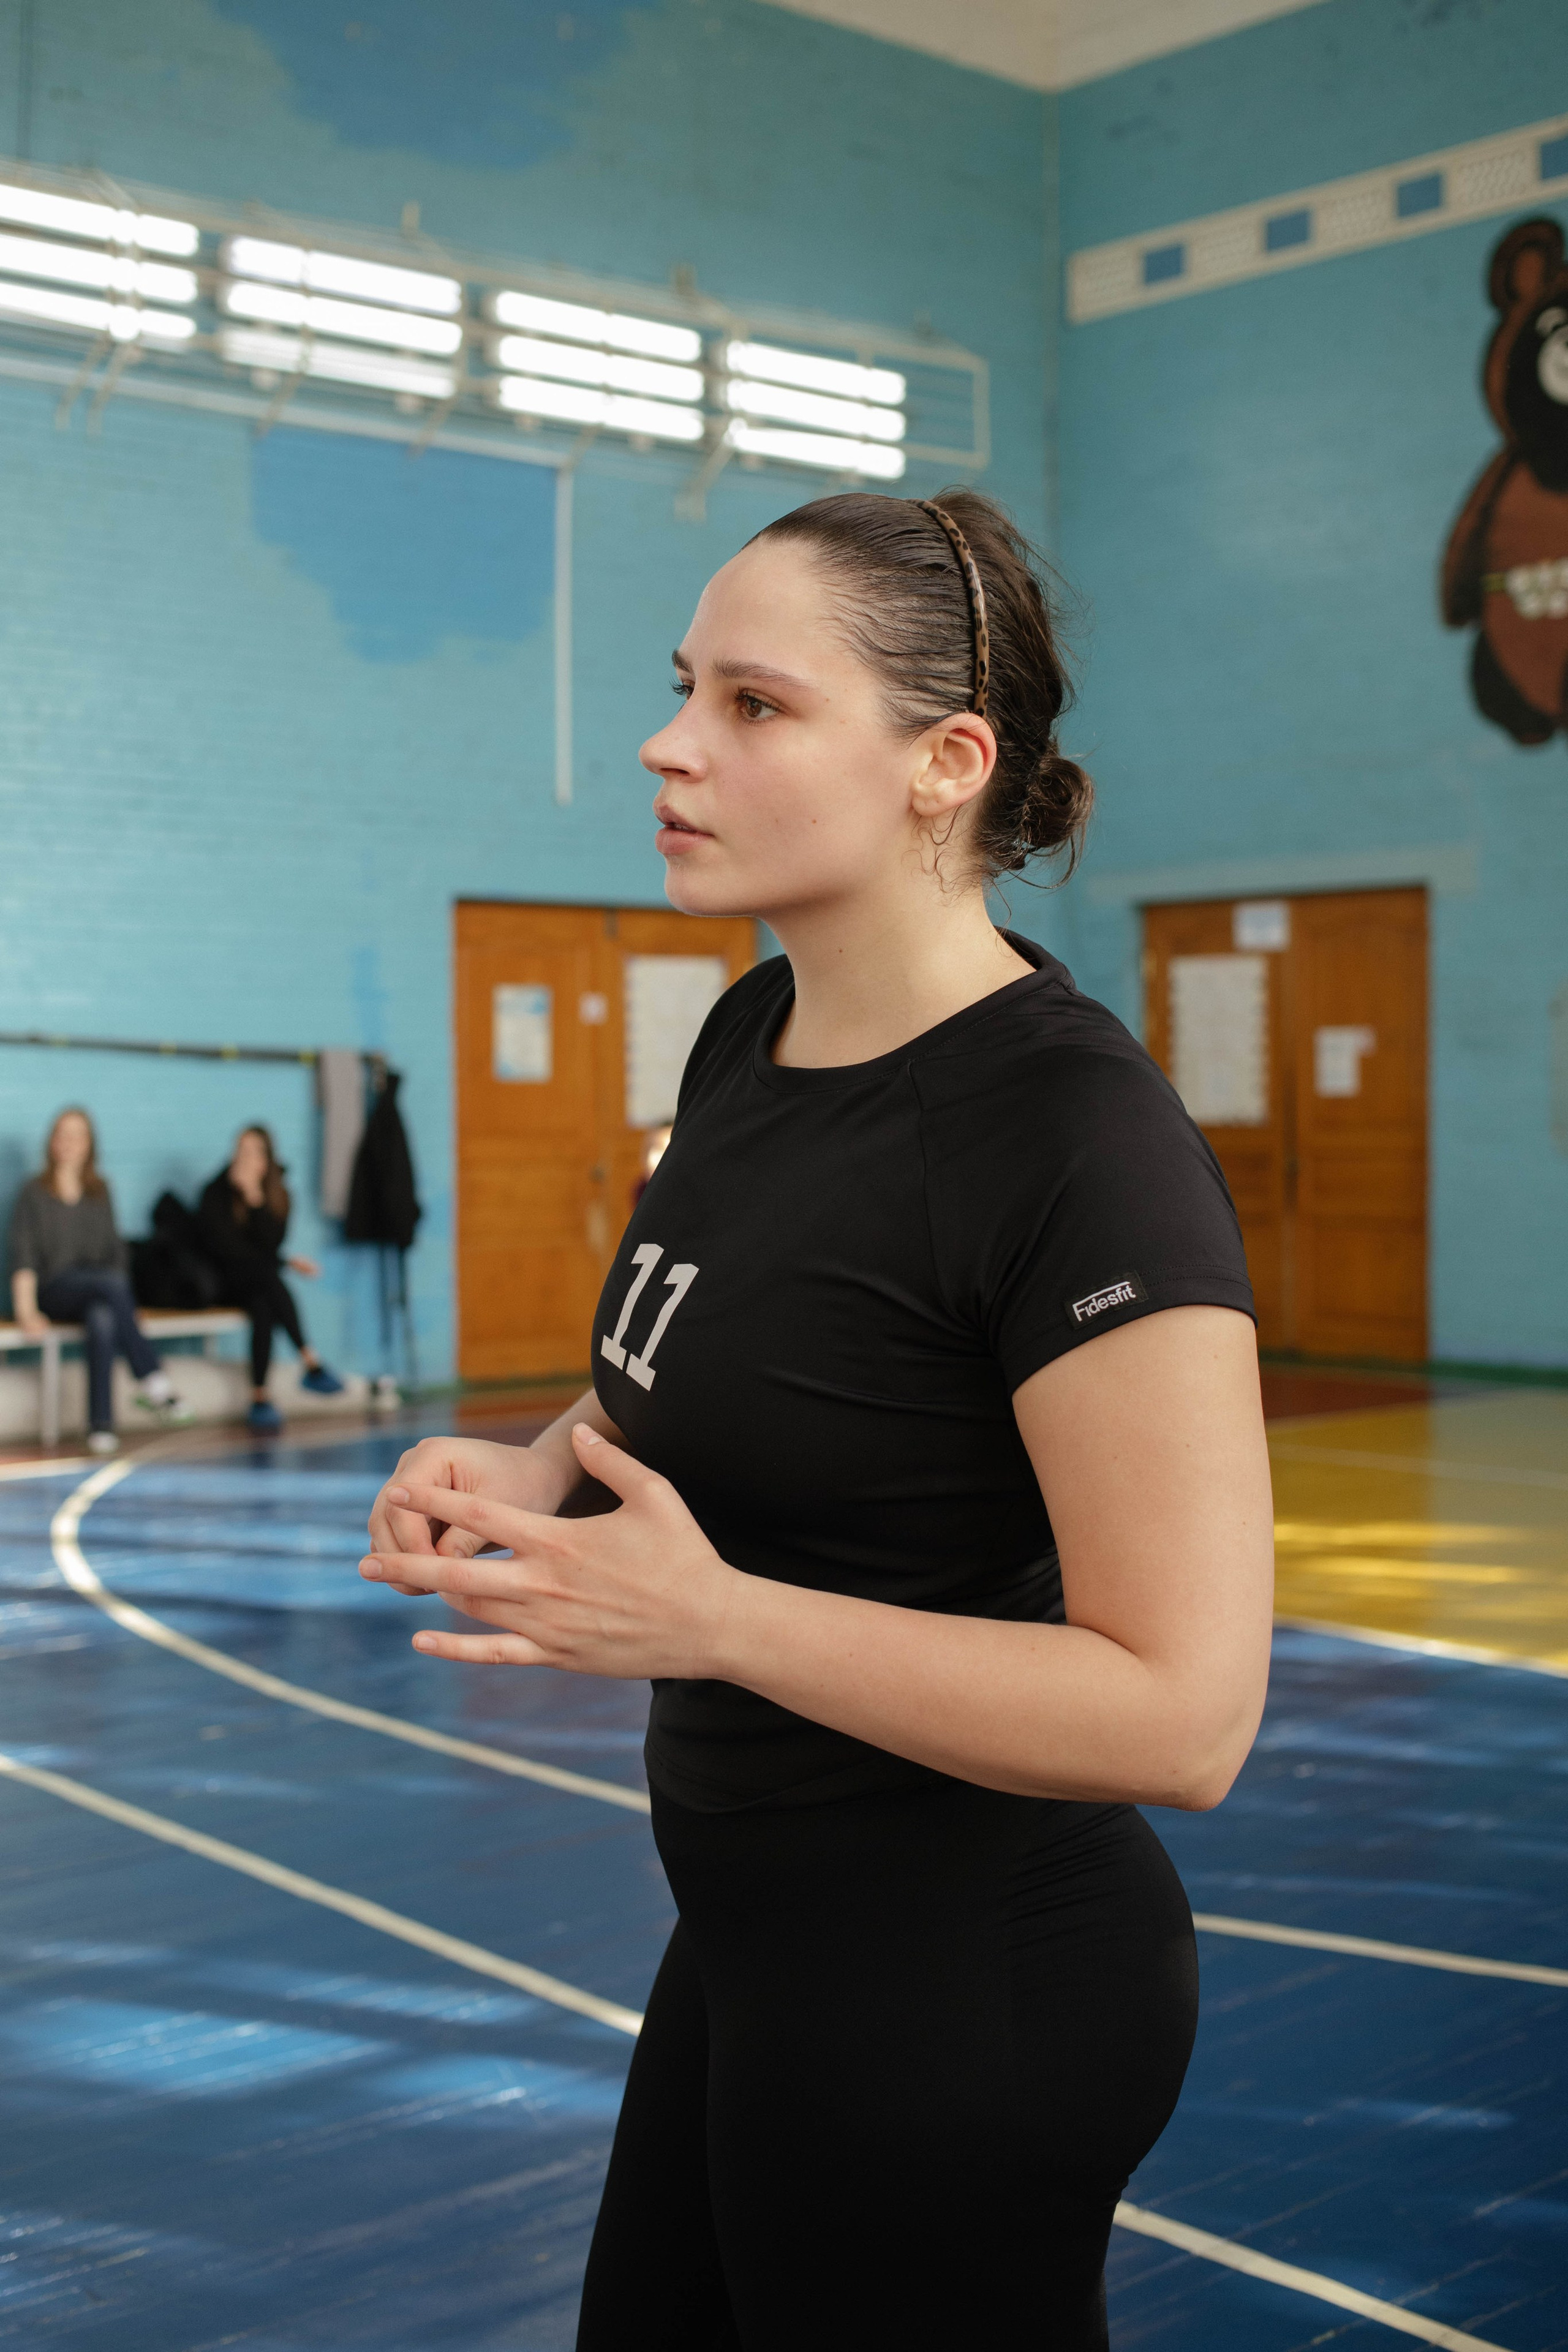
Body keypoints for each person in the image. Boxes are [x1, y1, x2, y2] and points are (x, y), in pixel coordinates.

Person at [362, 490, 1275, 2350]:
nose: (668, 740)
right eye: (682, 687)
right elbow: (732, 1341)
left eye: (752, 705)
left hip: (969, 1991)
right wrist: (537, 1464)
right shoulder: (750, 1034)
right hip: (759, 1940)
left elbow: (1185, 1713)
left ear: (945, 764)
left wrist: (712, 1622)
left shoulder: (1074, 1145)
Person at [8, 1107, 194, 1453]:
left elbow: (115, 1254)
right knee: (110, 1286)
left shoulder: (100, 1192)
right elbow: (24, 1255)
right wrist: (25, 1309)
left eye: (77, 1135)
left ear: (89, 1144)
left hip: (100, 1291)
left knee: (104, 1318)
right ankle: (152, 1379)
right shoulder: (33, 1193)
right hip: (54, 1290)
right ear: (52, 1142)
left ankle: (102, 1425)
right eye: (62, 1134)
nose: (69, 1142)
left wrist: (127, 1310)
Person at [198, 1125, 342, 1434]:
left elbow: (269, 1244)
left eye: (253, 1152)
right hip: (220, 1282)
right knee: (268, 1278)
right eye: (241, 1151)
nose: (245, 1159)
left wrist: (254, 1199)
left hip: (258, 1282)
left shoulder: (277, 1195)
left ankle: (260, 1397)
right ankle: (310, 1360)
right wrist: (286, 1262)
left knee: (264, 1303)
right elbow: (227, 1251)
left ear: (266, 1160)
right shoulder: (214, 1193)